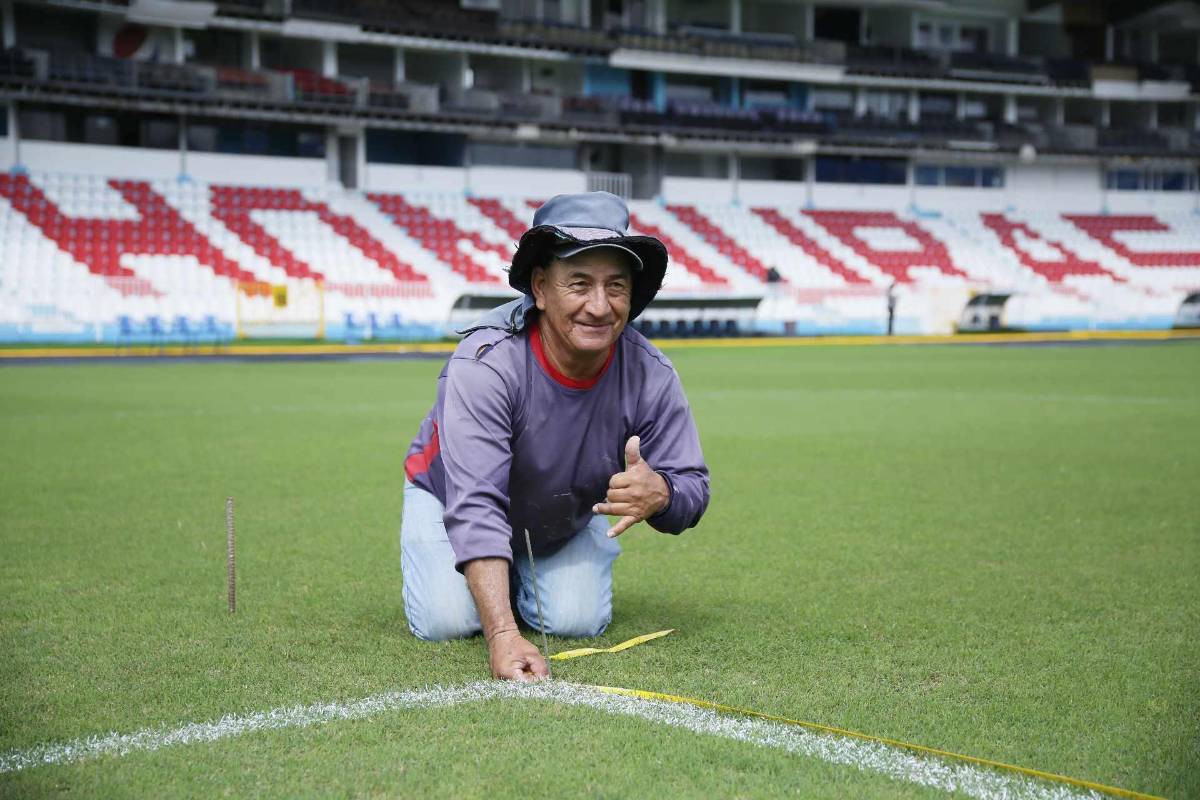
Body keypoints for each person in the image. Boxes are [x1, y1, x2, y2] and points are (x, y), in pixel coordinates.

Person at [400, 191, 710, 681]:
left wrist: (663, 495)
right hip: (450, 499)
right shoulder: (486, 365)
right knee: (447, 621)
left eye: (616, 286)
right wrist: (502, 633)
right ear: (540, 288)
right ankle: (498, 584)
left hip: (562, 512)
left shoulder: (651, 372)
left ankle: (514, 576)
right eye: (579, 284)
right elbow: (475, 503)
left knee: (575, 621)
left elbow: (692, 484)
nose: (599, 306)